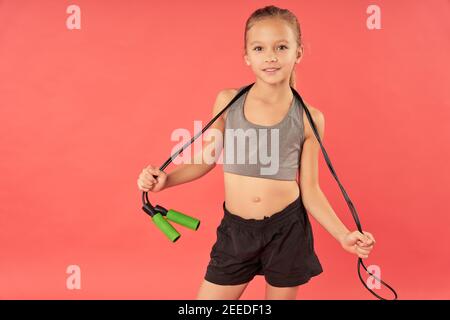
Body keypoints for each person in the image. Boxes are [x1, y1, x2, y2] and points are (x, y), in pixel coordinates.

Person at [137, 5, 375, 300]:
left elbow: (311, 190)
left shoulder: (309, 118)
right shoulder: (228, 101)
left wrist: (343, 235)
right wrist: (166, 181)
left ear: (298, 53)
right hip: (236, 232)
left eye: (282, 47)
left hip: (287, 231)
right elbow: (205, 159)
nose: (271, 56)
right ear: (247, 56)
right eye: (259, 48)